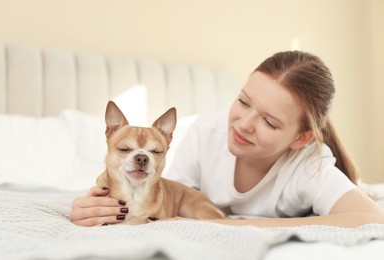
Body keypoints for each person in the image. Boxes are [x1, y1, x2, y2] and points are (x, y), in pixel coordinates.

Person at [70, 50, 384, 227]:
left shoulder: (308, 164)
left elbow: (373, 220)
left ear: (300, 139)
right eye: (243, 102)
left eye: (269, 122)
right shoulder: (205, 136)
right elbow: (163, 201)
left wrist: (237, 224)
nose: (243, 124)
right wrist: (99, 202)